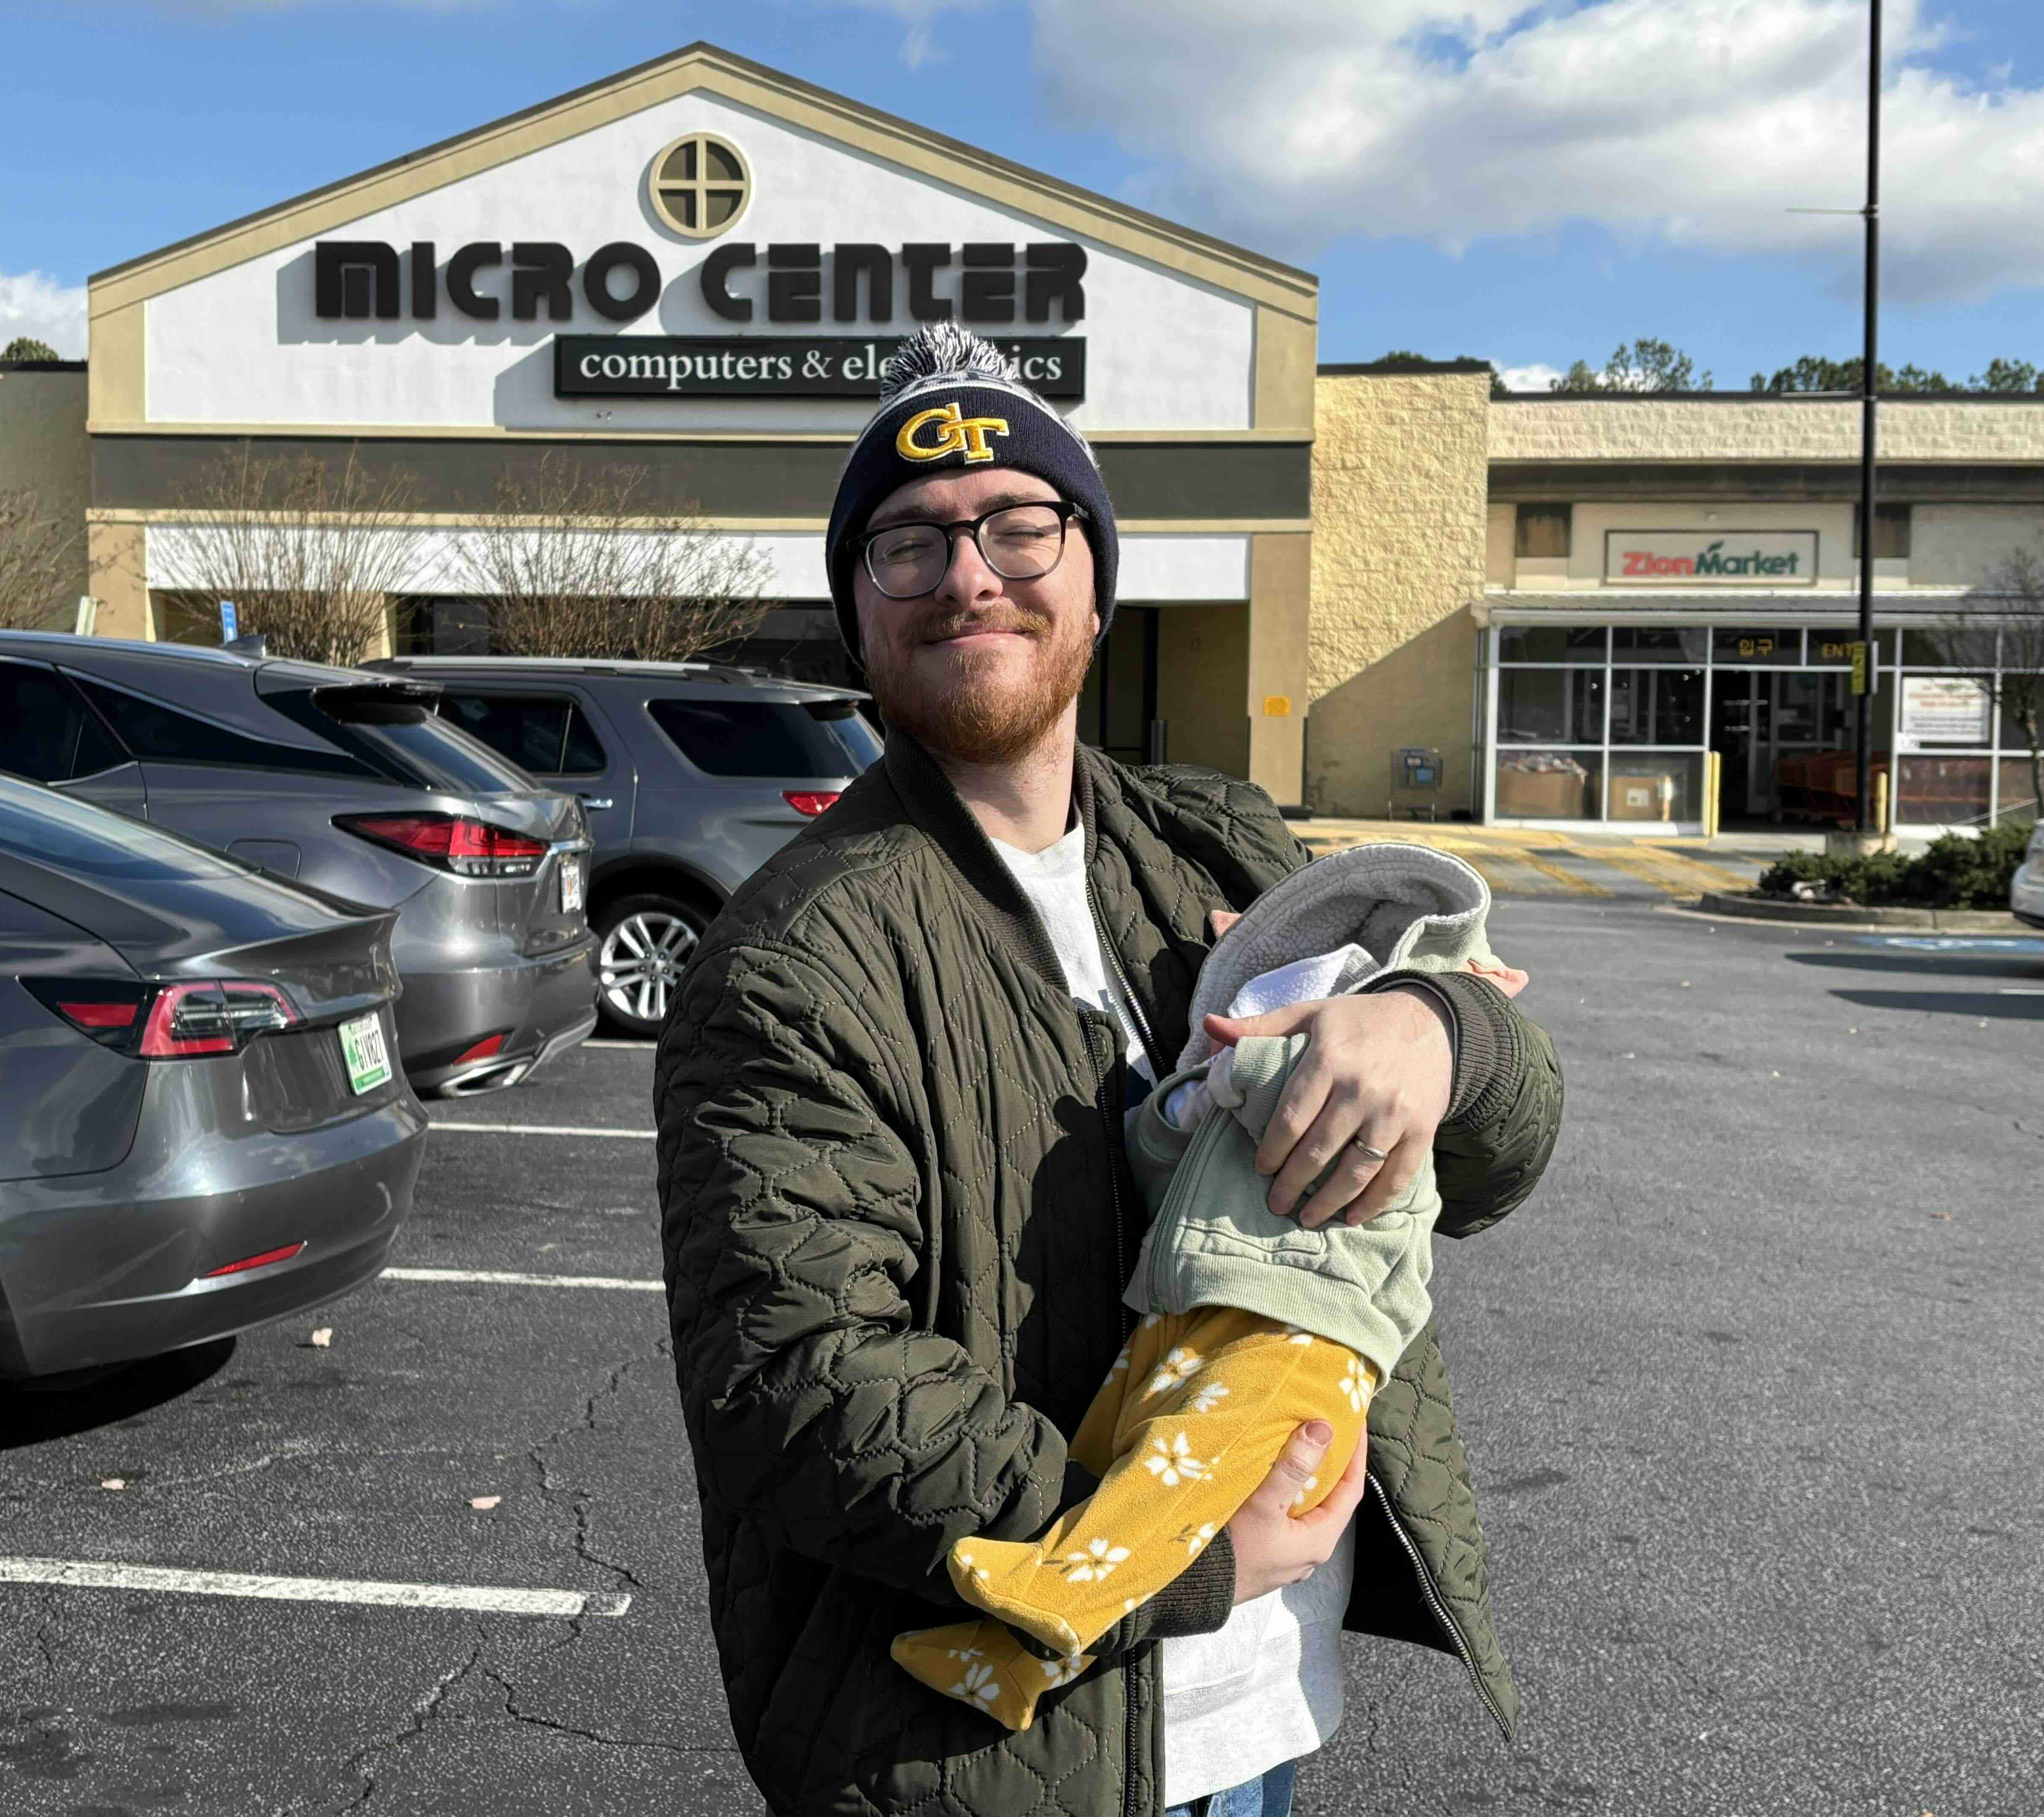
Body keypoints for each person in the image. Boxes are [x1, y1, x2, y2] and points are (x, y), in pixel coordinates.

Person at [655, 324, 1563, 1817]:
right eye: (906, 543)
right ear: (857, 610)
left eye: (1019, 521)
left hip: (1255, 1711)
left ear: (1093, 572)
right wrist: (1174, 1539)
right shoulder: (794, 958)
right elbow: (798, 1386)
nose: (968, 572)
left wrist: (1443, 1036)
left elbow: (1501, 1160)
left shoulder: (1221, 846)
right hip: (984, 1754)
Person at [889, 844, 1524, 1734]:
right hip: (1190, 1307)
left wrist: (1399, 1030)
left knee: (1179, 1465)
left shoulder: (1383, 1082)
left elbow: (1336, 1101)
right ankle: (1011, 1658)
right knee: (1112, 1450)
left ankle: (1058, 1588)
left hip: (1309, 1333)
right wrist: (1180, 1107)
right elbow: (1155, 1162)